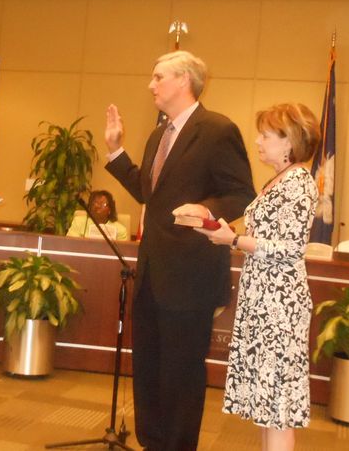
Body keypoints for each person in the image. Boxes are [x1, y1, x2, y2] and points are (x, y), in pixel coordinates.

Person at [104, 50, 255, 450]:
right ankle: (152, 442)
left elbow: (241, 193)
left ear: (184, 81)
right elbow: (148, 194)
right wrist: (117, 153)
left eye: (158, 77)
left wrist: (206, 211)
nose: (150, 85)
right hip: (152, 273)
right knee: (149, 369)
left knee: (182, 375)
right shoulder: (159, 134)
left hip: (191, 276)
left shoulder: (218, 129)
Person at [176, 103, 320, 451]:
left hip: (280, 306)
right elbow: (267, 235)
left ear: (289, 142)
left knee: (279, 407)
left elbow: (289, 248)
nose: (258, 141)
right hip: (263, 301)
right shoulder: (279, 181)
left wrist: (235, 240)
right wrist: (224, 229)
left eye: (266, 135)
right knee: (266, 406)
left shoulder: (300, 183)